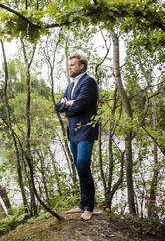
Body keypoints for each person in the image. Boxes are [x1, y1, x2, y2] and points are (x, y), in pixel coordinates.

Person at [55, 54, 98, 220]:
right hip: (73, 132)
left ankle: (89, 207)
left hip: (86, 131)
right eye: (69, 65)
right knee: (79, 169)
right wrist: (66, 104)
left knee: (82, 166)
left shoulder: (89, 82)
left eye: (72, 65)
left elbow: (80, 107)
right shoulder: (70, 85)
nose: (69, 67)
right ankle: (81, 204)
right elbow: (58, 107)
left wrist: (69, 105)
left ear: (81, 66)